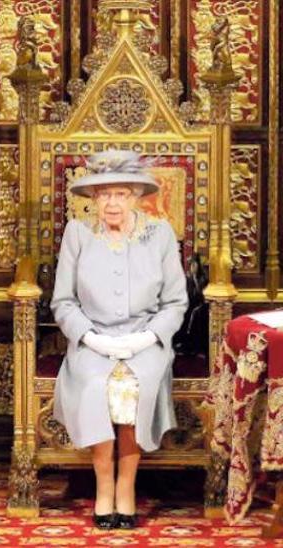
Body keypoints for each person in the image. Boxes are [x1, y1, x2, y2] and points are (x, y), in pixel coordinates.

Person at [51, 150, 188, 530]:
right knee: (98, 384)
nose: (112, 203)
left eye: (121, 194)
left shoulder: (158, 233)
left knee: (134, 387)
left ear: (134, 197)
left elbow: (176, 302)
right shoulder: (78, 234)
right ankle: (104, 486)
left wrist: (148, 337)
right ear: (94, 199)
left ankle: (126, 487)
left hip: (146, 340)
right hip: (92, 341)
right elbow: (63, 302)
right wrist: (91, 338)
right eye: (104, 194)